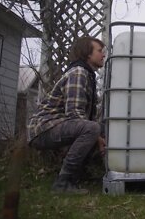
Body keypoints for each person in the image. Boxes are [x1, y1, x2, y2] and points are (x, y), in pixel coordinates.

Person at [27, 36, 107, 194]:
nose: (103, 55)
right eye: (99, 51)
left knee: (99, 128)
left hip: (57, 126)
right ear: (88, 54)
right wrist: (98, 137)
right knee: (92, 129)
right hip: (44, 128)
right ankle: (63, 182)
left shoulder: (87, 74)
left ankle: (78, 176)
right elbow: (75, 113)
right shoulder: (79, 73)